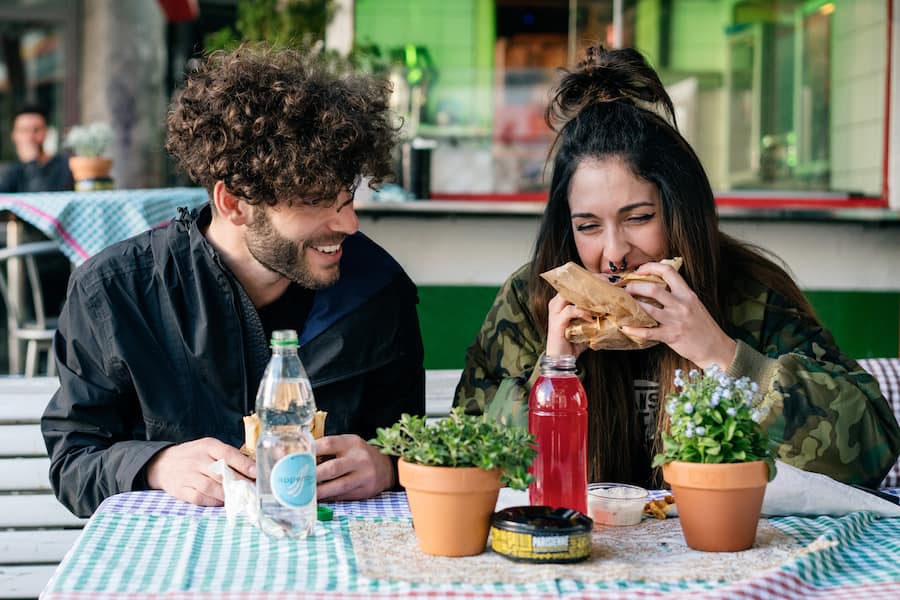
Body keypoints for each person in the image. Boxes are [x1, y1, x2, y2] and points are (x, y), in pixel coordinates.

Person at [454, 46, 900, 489]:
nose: (614, 253)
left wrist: (724, 355)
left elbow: (874, 451)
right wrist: (555, 373)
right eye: (588, 226)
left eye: (639, 218)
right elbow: (466, 459)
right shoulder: (530, 298)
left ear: (679, 211)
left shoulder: (749, 294)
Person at [42, 43, 425, 517]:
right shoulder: (115, 292)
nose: (348, 225)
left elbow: (415, 446)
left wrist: (390, 467)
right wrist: (157, 464)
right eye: (314, 201)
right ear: (234, 204)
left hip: (329, 566)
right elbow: (74, 462)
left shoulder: (379, 289)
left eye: (346, 198)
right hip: (170, 571)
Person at [0, 104, 74, 193]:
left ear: (46, 133)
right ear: (14, 135)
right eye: (24, 130)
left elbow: (43, 201)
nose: (30, 137)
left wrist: (32, 163)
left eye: (36, 130)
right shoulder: (13, 172)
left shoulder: (64, 167)